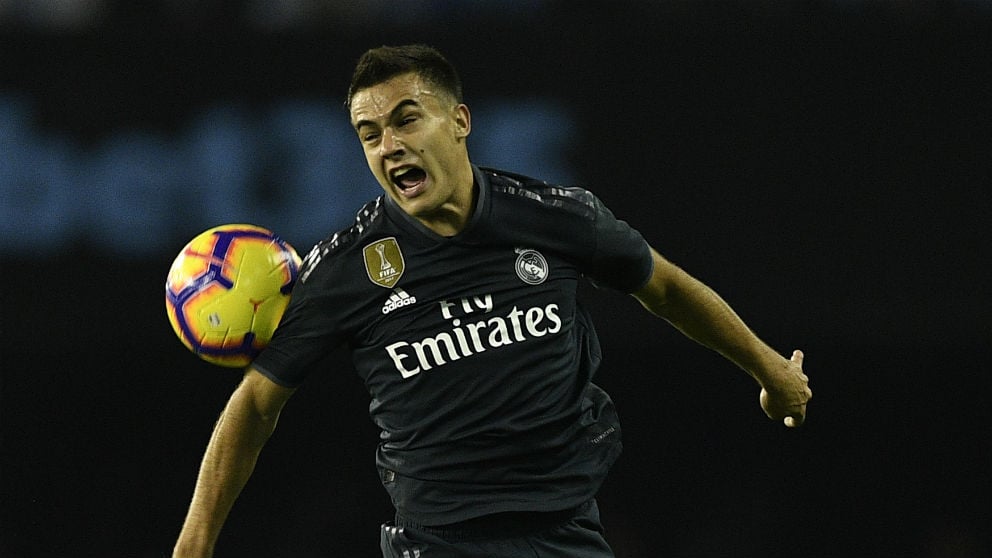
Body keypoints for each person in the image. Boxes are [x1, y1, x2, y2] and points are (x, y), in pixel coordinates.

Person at [172, 43, 812, 558]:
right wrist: (193, 546)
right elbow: (255, 404)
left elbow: (667, 288)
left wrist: (770, 369)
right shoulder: (344, 269)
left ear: (459, 121)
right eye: (369, 134)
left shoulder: (556, 218)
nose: (388, 145)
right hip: (439, 541)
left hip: (565, 530)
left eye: (405, 119)